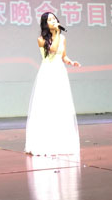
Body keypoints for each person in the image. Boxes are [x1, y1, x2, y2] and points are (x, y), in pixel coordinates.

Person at [25, 12, 81, 156]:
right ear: (45, 24)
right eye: (50, 20)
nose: (53, 21)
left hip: (59, 72)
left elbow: (63, 55)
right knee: (47, 105)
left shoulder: (62, 38)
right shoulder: (41, 39)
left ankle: (61, 142)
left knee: (60, 105)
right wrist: (56, 33)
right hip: (47, 73)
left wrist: (70, 62)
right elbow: (53, 50)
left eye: (54, 19)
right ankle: (44, 143)